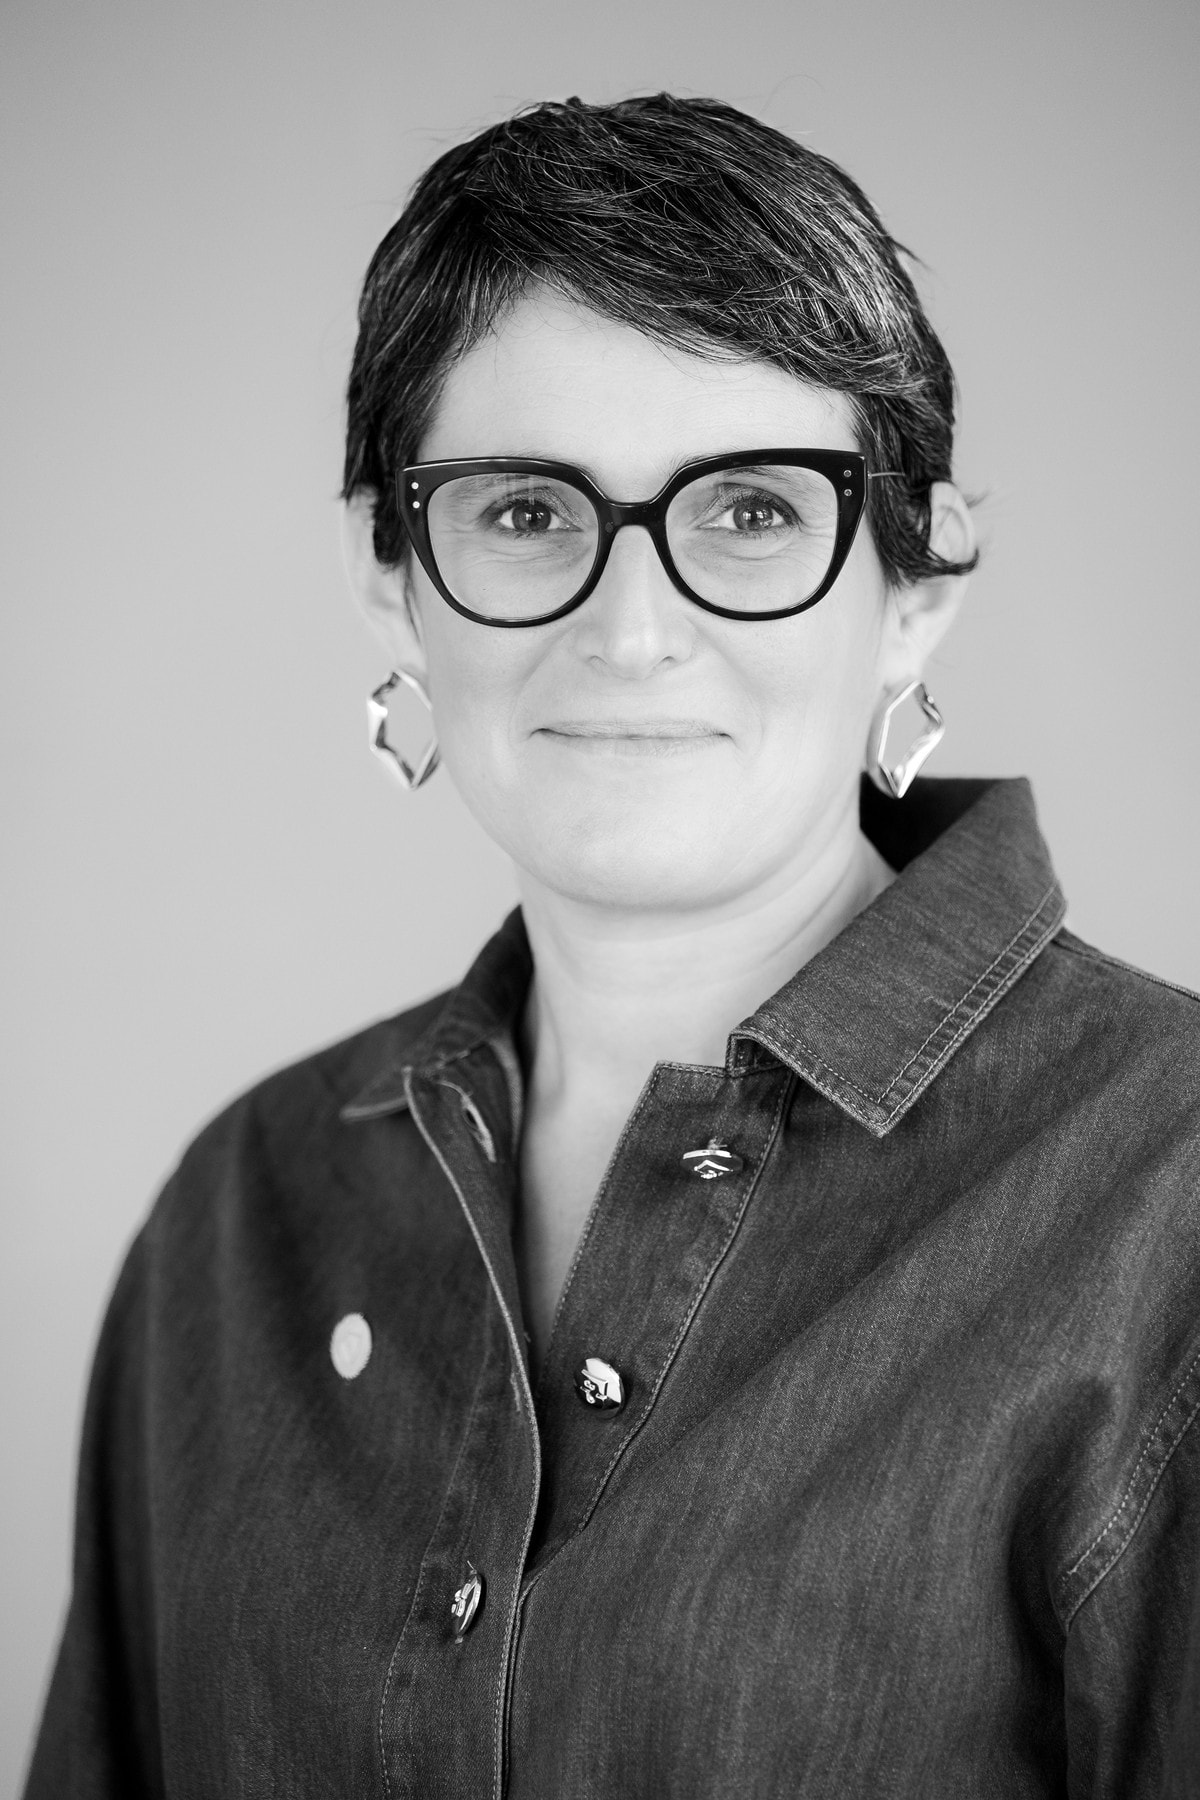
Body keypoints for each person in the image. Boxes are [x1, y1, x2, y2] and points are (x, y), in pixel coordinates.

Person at [24, 94, 1200, 1799]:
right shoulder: (243, 1215)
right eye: (524, 511)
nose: (631, 629)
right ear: (387, 571)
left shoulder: (1170, 1202)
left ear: (920, 581)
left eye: (752, 512)